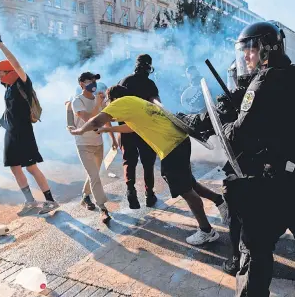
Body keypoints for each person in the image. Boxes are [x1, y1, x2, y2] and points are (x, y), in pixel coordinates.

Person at [182, 22, 295, 296]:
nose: (245, 56)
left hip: (284, 175)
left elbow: (239, 133)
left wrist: (211, 127)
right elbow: (265, 115)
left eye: (250, 49)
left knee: (255, 239)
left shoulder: (266, 81)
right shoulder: (293, 73)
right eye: (243, 50)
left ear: (267, 48)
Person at [69, 84, 229, 246]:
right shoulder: (134, 102)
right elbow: (131, 128)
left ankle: (207, 231)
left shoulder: (119, 103)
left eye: (107, 103)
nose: (107, 106)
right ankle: (220, 201)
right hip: (178, 141)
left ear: (113, 99)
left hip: (170, 146)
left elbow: (96, 120)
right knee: (188, 182)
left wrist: (80, 131)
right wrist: (104, 130)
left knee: (185, 190)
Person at [0, 29, 59, 215]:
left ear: (9, 72)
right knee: (14, 166)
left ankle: (50, 201)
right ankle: (31, 201)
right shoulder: (8, 85)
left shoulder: (22, 82)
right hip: (10, 131)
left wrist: (0, 44)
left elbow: (16, 64)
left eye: (1, 73)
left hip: (23, 130)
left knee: (31, 167)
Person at [70, 72, 117, 224]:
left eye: (94, 80)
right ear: (82, 84)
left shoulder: (99, 99)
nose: (93, 83)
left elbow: (106, 117)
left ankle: (85, 196)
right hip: (83, 143)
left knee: (95, 174)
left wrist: (112, 138)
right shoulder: (77, 101)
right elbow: (89, 120)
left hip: (98, 143)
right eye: (89, 81)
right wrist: (98, 103)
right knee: (95, 176)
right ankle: (103, 208)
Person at [115, 54, 159, 209]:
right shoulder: (150, 84)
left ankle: (130, 190)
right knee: (148, 163)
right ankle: (149, 194)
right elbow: (157, 105)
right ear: (148, 67)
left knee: (129, 161)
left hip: (126, 130)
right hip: (146, 130)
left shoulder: (124, 81)